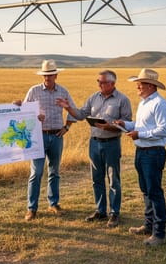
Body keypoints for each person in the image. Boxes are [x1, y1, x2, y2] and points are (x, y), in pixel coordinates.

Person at [56, 70, 132, 228]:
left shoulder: (122, 100)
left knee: (113, 180)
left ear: (112, 84)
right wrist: (68, 107)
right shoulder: (93, 98)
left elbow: (127, 124)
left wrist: (110, 126)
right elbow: (80, 115)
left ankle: (114, 213)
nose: (99, 84)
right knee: (96, 179)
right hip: (94, 143)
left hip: (112, 143)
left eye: (102, 82)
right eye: (98, 81)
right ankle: (101, 210)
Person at [116, 68, 166, 246]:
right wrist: (126, 124)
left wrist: (139, 134)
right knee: (146, 190)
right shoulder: (144, 103)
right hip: (141, 152)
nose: (137, 86)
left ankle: (159, 233)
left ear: (150, 85)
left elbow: (163, 130)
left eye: (140, 84)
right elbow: (141, 125)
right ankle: (148, 225)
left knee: (154, 192)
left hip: (153, 153)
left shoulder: (159, 104)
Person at [22, 59, 77, 221]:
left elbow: (72, 110)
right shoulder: (33, 91)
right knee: (36, 172)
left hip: (56, 136)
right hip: (38, 136)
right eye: (45, 75)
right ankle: (31, 208)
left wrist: (66, 127)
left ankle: (53, 203)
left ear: (56, 75)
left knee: (54, 171)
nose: (47, 78)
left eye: (50, 75)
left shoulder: (63, 91)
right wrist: (34, 116)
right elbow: (23, 112)